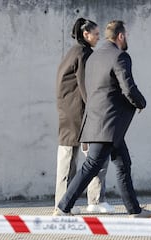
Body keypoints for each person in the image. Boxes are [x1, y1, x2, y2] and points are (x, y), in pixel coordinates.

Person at [55, 20, 151, 218]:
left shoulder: (94, 57)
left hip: (101, 121)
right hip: (108, 124)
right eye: (125, 35)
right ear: (120, 36)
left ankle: (134, 210)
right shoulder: (120, 56)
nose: (126, 39)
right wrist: (140, 103)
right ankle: (63, 207)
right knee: (92, 165)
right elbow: (128, 87)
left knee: (123, 164)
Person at [55, 18, 114, 215]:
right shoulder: (85, 53)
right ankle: (95, 200)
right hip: (80, 113)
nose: (99, 38)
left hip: (68, 112)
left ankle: (62, 203)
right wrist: (98, 111)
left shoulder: (74, 51)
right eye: (96, 34)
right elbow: (87, 86)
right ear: (86, 34)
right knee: (97, 156)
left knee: (68, 157)